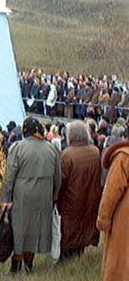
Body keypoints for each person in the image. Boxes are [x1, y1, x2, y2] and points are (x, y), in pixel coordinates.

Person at [2, 117, 62, 274]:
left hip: (22, 194)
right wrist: (54, 195)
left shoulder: (17, 148)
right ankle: (30, 263)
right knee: (37, 229)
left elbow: (10, 176)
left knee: (20, 229)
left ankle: (16, 265)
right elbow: (58, 177)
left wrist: (7, 198)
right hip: (44, 195)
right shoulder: (52, 149)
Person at [57, 120, 101, 261]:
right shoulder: (95, 151)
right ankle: (78, 256)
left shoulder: (67, 155)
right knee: (85, 226)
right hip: (91, 197)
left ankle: (66, 259)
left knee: (70, 229)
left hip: (72, 199)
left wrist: (56, 198)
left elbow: (61, 181)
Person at [97, 138, 129, 281]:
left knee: (120, 267)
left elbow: (111, 192)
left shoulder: (124, 157)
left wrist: (104, 219)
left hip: (124, 224)